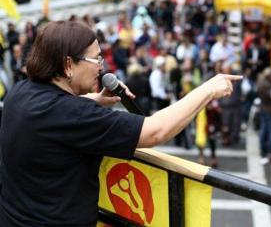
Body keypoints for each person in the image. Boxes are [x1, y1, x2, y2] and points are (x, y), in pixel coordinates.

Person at [0, 21, 242, 226]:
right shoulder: (76, 115)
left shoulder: (19, 93)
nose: (102, 66)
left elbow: (58, 114)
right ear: (67, 65)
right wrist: (208, 90)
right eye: (95, 59)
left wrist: (95, 99)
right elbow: (155, 132)